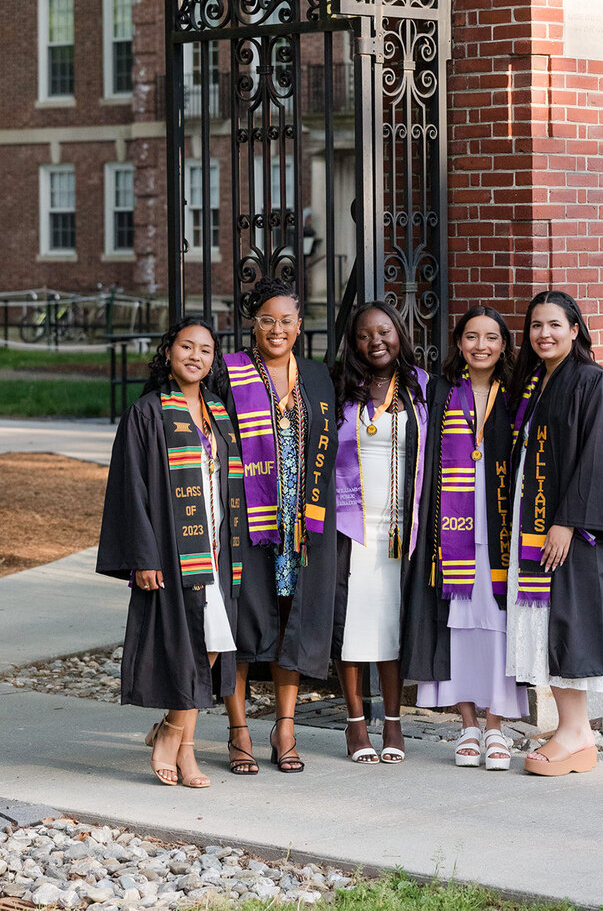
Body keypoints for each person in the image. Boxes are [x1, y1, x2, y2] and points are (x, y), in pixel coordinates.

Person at [97, 317, 244, 788]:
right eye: (186, 346)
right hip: (174, 548)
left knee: (216, 643)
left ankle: (172, 732)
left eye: (205, 349)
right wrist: (143, 556)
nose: (195, 356)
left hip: (218, 547)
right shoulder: (147, 413)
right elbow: (130, 488)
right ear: (168, 353)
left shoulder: (219, 412)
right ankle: (181, 747)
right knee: (191, 645)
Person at [506, 291, 603, 777]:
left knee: (568, 625)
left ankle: (577, 734)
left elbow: (599, 458)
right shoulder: (538, 382)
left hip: (576, 535)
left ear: (574, 329)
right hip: (539, 527)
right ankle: (570, 730)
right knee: (549, 627)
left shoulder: (591, 381)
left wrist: (565, 520)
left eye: (554, 325)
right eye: (536, 326)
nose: (544, 334)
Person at [402, 306, 528, 770]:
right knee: (456, 627)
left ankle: (496, 727)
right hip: (450, 533)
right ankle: (468, 726)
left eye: (491, 337)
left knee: (496, 629)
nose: (481, 345)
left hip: (499, 530)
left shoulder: (516, 395)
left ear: (503, 346)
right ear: (458, 343)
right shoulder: (440, 392)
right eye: (472, 336)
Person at [220, 278, 337, 773]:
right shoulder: (229, 374)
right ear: (253, 322)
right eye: (267, 319)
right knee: (245, 620)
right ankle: (238, 728)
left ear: (299, 325)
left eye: (286, 320)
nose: (277, 329)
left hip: (300, 522)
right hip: (248, 519)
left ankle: (284, 727)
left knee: (293, 620)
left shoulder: (316, 376)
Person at [332, 301, 429, 764]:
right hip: (350, 525)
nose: (377, 342)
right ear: (354, 342)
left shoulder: (421, 387)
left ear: (399, 334)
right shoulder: (340, 390)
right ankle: (355, 724)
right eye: (366, 335)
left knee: (391, 624)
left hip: (399, 527)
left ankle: (393, 722)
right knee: (350, 625)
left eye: (385, 331)